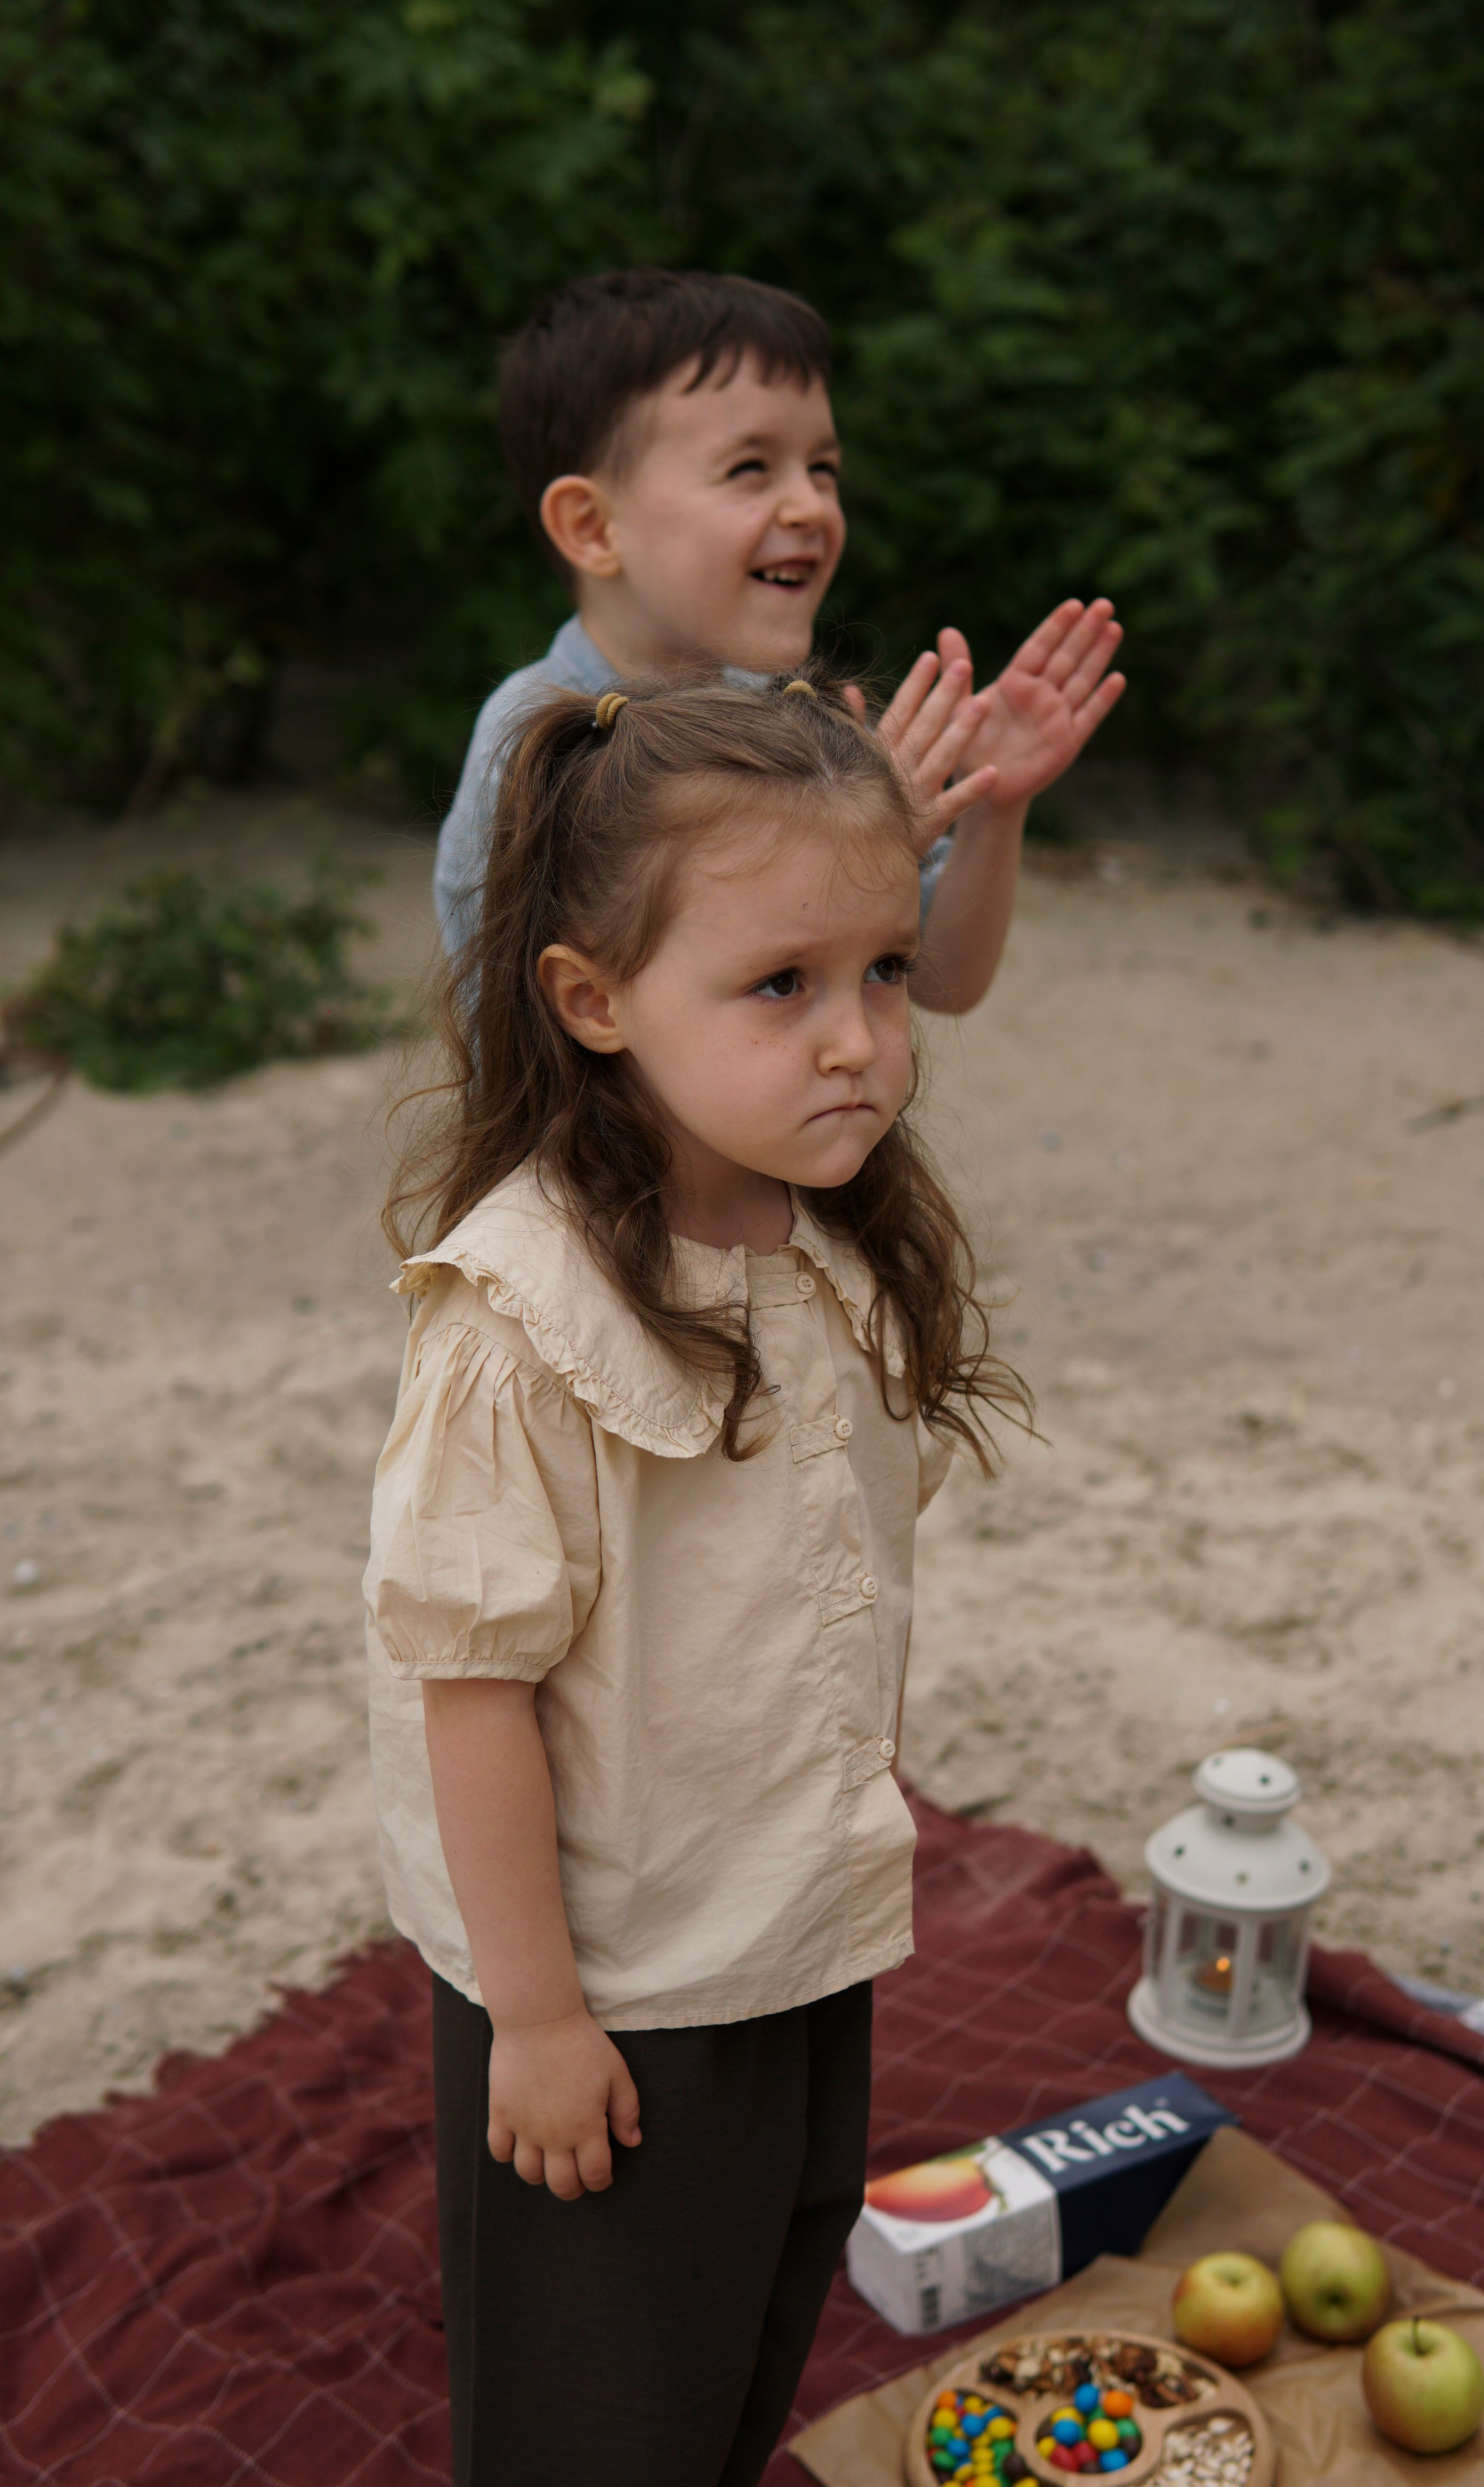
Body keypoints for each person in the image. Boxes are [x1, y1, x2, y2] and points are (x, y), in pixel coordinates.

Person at [367, 666, 1031, 2483]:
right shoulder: (520, 1328)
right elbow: (474, 1685)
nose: (859, 1041)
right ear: (594, 1003)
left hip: (787, 1921)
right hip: (611, 1977)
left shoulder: (823, 1248)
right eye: (779, 987)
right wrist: (542, 2019)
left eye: (883, 972)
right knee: (599, 2409)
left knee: (749, 2321)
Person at [433, 266, 1125, 1013]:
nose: (809, 504)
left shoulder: (804, 720)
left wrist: (993, 811)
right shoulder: (540, 742)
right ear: (593, 527)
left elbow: (940, 978)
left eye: (822, 467)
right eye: (750, 468)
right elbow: (516, 1048)